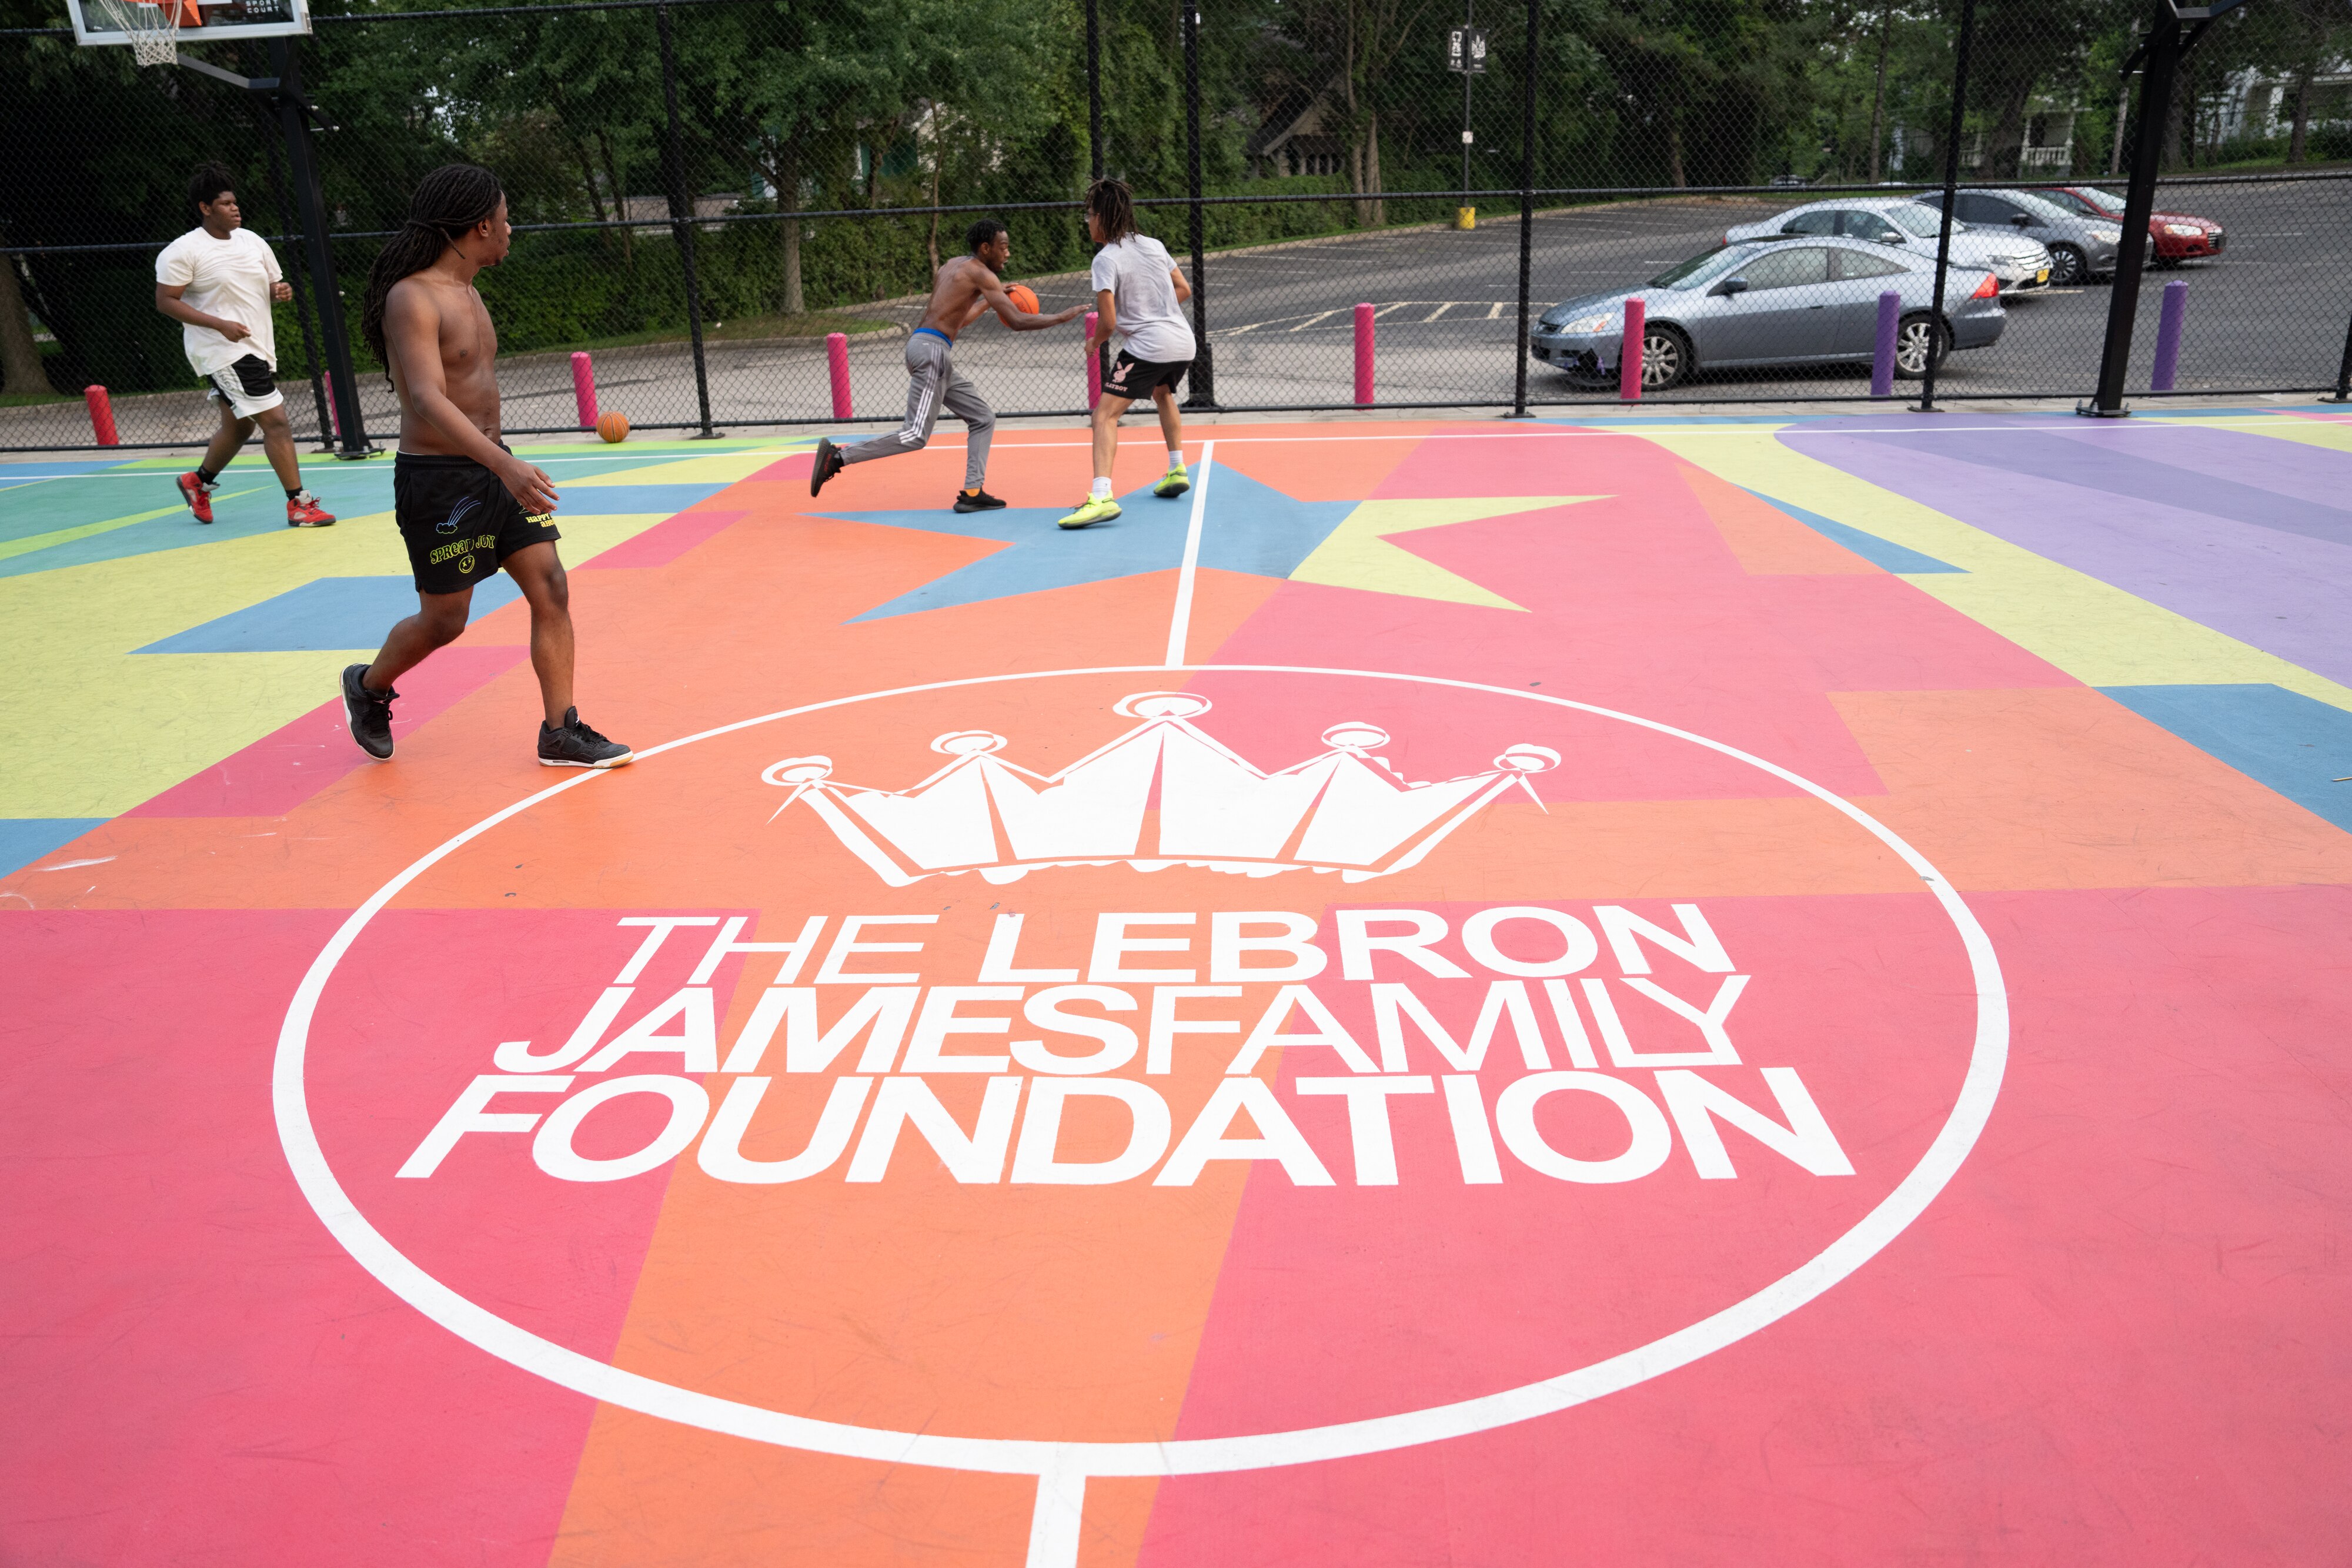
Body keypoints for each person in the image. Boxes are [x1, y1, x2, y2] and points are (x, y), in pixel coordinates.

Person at [339, 163, 629, 770]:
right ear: (479, 227)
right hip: (440, 482)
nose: (510, 229)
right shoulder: (412, 297)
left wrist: (502, 466)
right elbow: (428, 397)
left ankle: (560, 731)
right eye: (505, 219)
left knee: (551, 586)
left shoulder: (469, 290)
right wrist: (505, 465)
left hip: (496, 470)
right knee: (446, 620)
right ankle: (367, 686)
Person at [810, 219, 1084, 513]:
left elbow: (958, 319)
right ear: (986, 248)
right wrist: (1061, 317)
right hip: (933, 353)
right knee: (915, 435)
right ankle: (837, 458)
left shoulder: (953, 266)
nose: (1008, 254)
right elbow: (1017, 321)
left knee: (982, 417)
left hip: (926, 348)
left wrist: (989, 301)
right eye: (1003, 247)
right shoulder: (983, 274)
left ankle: (973, 492)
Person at [155, 162, 336, 528]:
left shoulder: (253, 241)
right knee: (276, 422)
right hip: (222, 351)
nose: (235, 208)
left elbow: (267, 286)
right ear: (206, 208)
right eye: (225, 204)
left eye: (235, 202)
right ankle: (298, 504)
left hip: (256, 347)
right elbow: (166, 301)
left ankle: (197, 482)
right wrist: (219, 324)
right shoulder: (184, 251)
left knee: (240, 427)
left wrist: (277, 291)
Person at [1057, 179, 1195, 531]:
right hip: (1182, 341)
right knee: (1163, 393)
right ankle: (1177, 468)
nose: (1087, 222)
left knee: (1104, 416)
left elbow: (1108, 322)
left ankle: (1101, 497)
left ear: (1102, 218)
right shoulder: (1154, 245)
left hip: (1150, 345)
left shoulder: (1106, 259)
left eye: (1089, 215)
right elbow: (1183, 288)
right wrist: (1154, 311)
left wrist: (1094, 342)